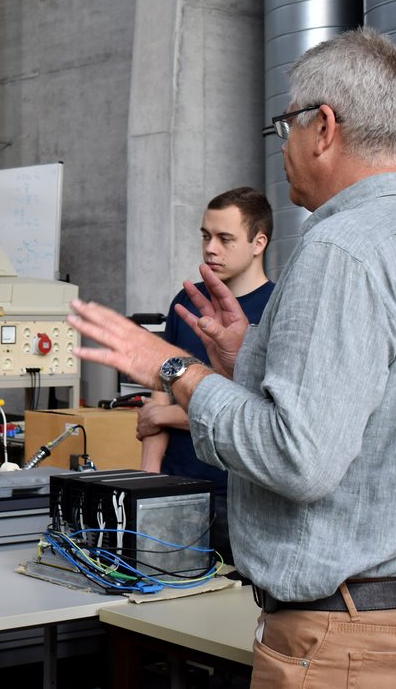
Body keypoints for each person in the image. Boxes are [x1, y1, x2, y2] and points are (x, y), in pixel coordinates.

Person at [68, 28, 396, 686]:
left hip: (345, 640)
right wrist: (248, 358)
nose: (284, 144)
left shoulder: (339, 248)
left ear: (325, 127)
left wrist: (173, 367)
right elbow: (380, 412)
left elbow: (298, 457)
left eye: (288, 123)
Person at [138, 186, 274, 557]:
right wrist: (148, 480)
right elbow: (159, 393)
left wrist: (165, 414)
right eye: (205, 236)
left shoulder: (277, 310)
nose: (210, 248)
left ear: (258, 242)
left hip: (237, 497)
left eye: (224, 238)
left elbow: (257, 412)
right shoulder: (186, 302)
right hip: (174, 487)